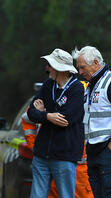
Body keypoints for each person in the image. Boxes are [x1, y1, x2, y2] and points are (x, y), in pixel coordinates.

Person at [72, 46, 111, 198]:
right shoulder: (91, 86)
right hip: (94, 149)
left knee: (110, 193)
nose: (79, 72)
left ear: (95, 62)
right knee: (98, 194)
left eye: (82, 67)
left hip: (110, 148)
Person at [27, 48, 85, 198]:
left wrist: (43, 113)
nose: (47, 68)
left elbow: (66, 119)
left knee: (66, 195)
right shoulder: (48, 85)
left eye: (50, 65)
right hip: (41, 154)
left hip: (65, 156)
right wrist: (48, 116)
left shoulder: (77, 88)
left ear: (61, 69)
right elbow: (31, 113)